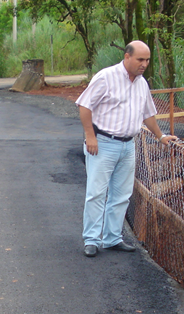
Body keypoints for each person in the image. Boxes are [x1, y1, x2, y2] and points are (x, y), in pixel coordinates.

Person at [76, 40, 178, 258]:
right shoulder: (106, 77)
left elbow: (148, 114)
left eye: (148, 60)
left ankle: (112, 238)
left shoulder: (142, 83)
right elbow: (84, 105)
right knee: (96, 193)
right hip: (103, 144)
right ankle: (92, 240)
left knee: (122, 194)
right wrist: (90, 136)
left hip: (128, 145)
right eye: (140, 59)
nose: (144, 64)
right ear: (127, 57)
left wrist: (160, 136)